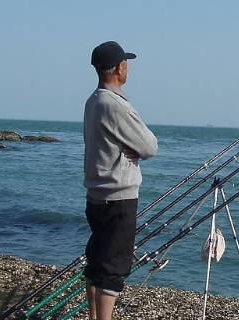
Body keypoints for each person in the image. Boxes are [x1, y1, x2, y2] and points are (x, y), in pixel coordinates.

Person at [83, 40, 158, 320]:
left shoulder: (94, 100)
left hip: (96, 196)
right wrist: (136, 148)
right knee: (112, 270)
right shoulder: (115, 104)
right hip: (119, 197)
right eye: (125, 63)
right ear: (118, 68)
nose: (127, 67)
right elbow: (149, 146)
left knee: (97, 263)